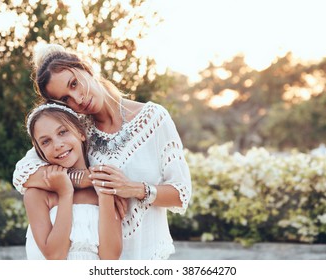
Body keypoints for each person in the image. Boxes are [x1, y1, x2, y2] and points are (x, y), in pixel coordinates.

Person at [13, 43, 192, 259]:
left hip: (145, 253)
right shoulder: (73, 128)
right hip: (96, 255)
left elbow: (181, 194)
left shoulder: (154, 118)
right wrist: (87, 179)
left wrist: (134, 189)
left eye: (74, 84)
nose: (77, 98)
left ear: (86, 68)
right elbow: (24, 173)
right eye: (65, 99)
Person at [23, 102, 122, 260]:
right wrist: (65, 193)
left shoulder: (102, 188)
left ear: (81, 133)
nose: (58, 145)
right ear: (39, 151)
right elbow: (55, 256)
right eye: (45, 142)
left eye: (62, 132)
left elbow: (110, 258)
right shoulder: (36, 194)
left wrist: (105, 195)